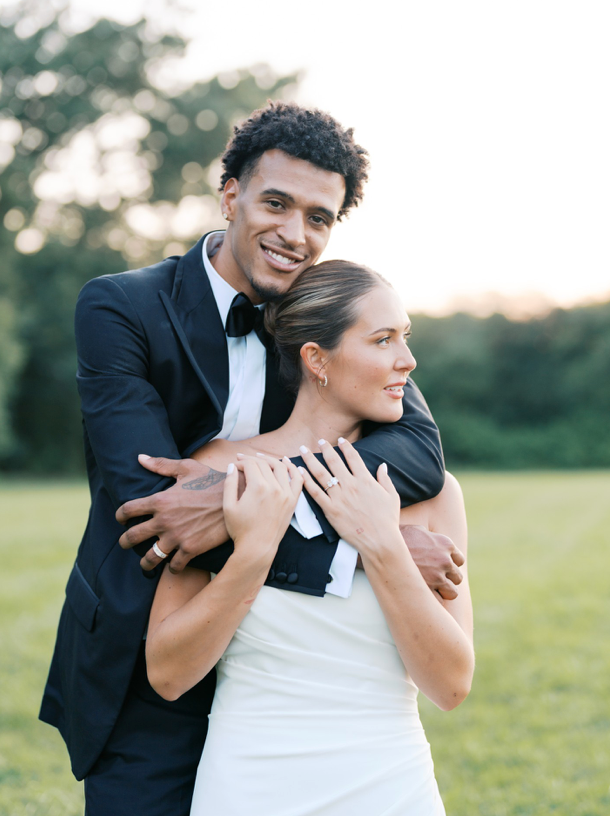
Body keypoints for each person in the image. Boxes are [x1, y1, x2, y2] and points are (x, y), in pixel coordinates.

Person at [39, 101, 462, 816]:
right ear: (230, 194)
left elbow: (418, 448)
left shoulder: (325, 319)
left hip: (280, 664)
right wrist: (364, 552)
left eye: (319, 217)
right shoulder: (121, 308)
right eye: (276, 203)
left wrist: (250, 489)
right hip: (148, 646)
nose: (295, 234)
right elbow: (157, 508)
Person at [144, 260, 474, 815]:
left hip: (390, 786)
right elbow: (168, 675)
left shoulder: (434, 495)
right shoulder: (219, 474)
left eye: (406, 336)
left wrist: (382, 545)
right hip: (249, 786)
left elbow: (451, 686)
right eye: (382, 339)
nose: (408, 360)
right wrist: (253, 551)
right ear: (316, 359)